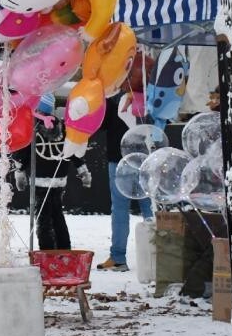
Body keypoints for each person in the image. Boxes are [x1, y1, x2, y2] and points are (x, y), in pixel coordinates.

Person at [13, 94, 91, 250]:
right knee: (57, 215)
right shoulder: (63, 127)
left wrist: (19, 170)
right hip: (59, 180)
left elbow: (23, 152)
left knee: (43, 219)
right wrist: (82, 169)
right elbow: (73, 150)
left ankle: (47, 252)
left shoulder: (33, 128)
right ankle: (64, 249)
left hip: (41, 180)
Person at [99, 94, 152, 271]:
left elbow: (101, 124)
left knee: (122, 209)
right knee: (149, 208)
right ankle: (159, 257)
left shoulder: (111, 97)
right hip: (145, 158)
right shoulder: (148, 93)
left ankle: (118, 257)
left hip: (120, 160)